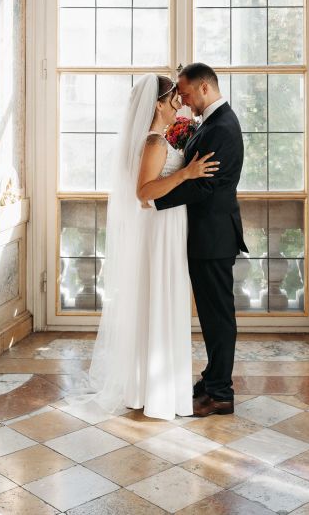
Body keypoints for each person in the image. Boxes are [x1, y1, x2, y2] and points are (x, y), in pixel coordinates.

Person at [87, 73, 218, 420]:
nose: (179, 103)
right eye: (174, 98)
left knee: (160, 299)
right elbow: (144, 192)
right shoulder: (155, 142)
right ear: (158, 104)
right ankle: (156, 393)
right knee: (160, 297)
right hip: (159, 228)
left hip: (166, 226)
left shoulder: (159, 139)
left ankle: (150, 388)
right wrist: (185, 174)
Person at [154, 62, 248, 417]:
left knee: (218, 318)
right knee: (210, 316)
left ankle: (221, 392)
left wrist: (155, 199)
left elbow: (206, 184)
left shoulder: (222, 126)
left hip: (214, 237)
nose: (184, 101)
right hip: (205, 235)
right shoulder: (211, 122)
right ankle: (211, 380)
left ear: (205, 88)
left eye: (188, 93)